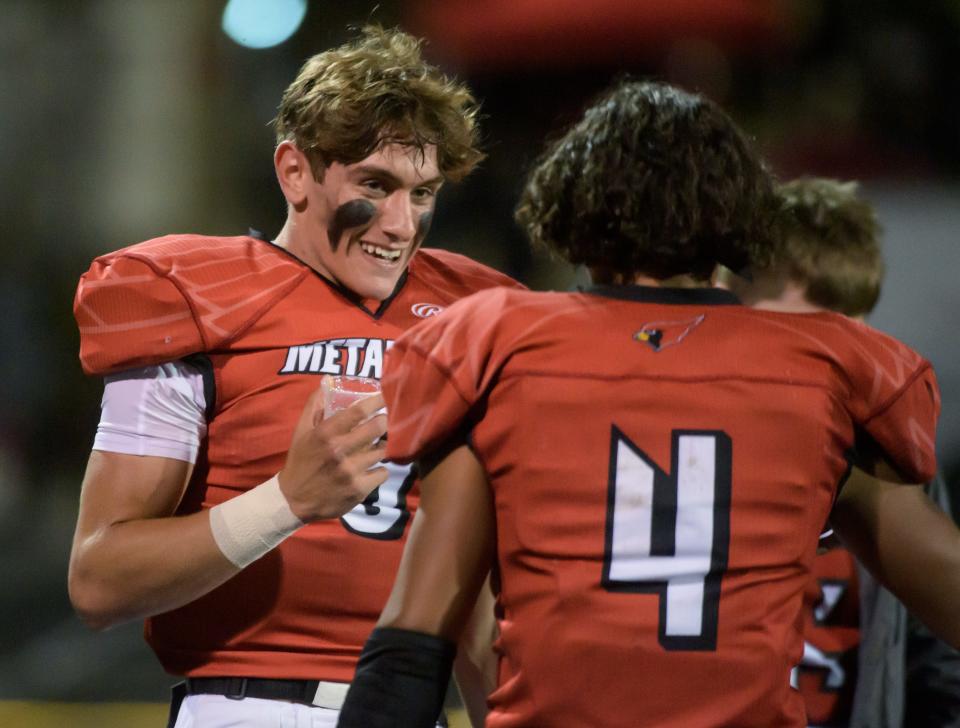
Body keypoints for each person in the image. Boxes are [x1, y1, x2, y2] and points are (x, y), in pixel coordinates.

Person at [336, 79, 957, 728]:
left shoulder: (497, 346)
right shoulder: (824, 367)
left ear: (573, 204)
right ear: (736, 211)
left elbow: (412, 641)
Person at [68, 25, 521, 728]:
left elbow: (474, 601)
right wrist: (286, 500)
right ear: (294, 172)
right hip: (248, 709)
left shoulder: (474, 317)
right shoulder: (191, 298)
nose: (402, 224)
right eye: (376, 184)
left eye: (424, 192)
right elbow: (98, 580)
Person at [721, 177, 960, 728]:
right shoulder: (698, 452)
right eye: (795, 339)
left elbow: (936, 662)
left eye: (844, 340)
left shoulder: (897, 468)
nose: (823, 369)